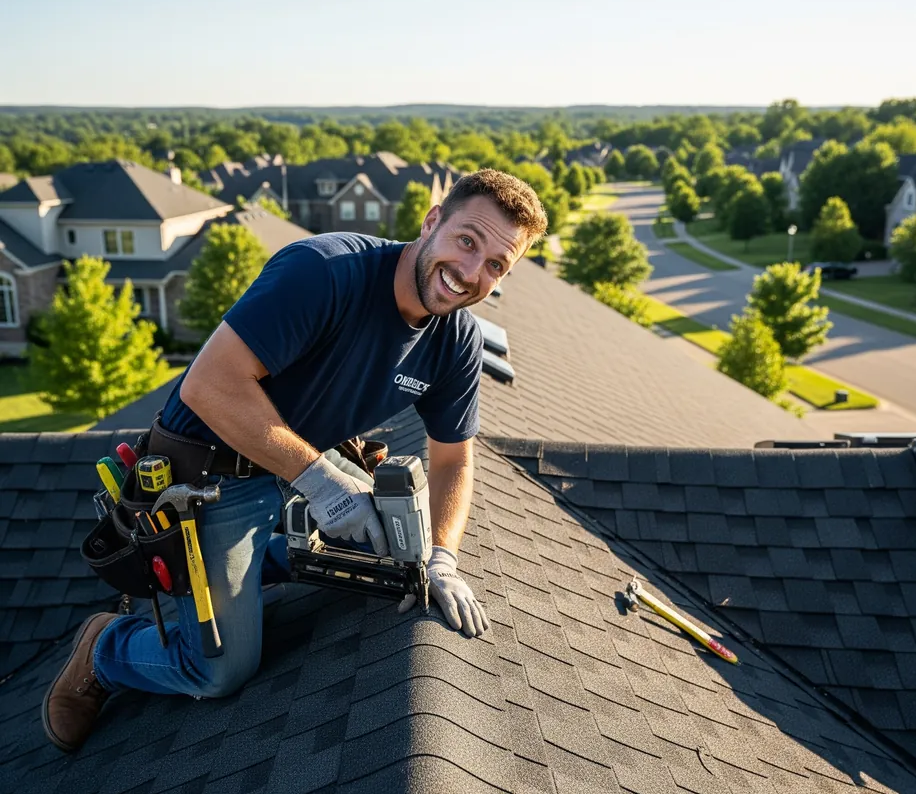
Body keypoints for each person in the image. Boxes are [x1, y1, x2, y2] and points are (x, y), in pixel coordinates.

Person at [43, 168, 547, 752]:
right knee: (219, 669)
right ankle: (106, 651)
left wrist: (442, 558)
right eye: (467, 241)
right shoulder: (324, 272)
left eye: (495, 265)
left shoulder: (455, 337)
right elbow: (208, 385)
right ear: (432, 221)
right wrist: (327, 485)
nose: (471, 272)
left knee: (400, 551)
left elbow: (454, 459)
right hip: (214, 476)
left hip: (303, 468)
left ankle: (251, 566)